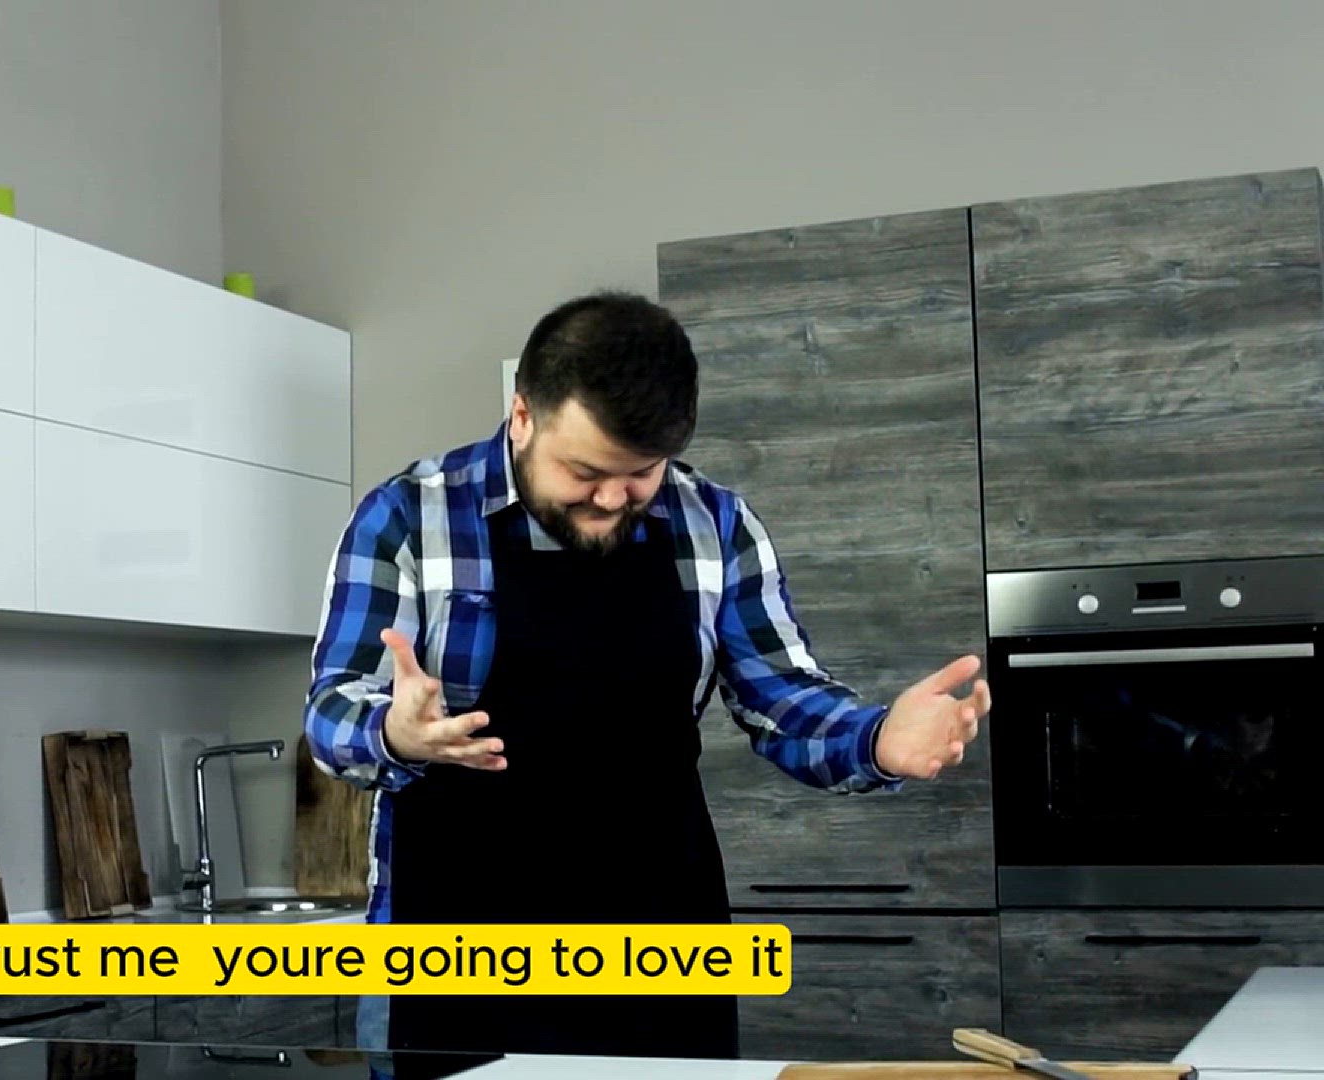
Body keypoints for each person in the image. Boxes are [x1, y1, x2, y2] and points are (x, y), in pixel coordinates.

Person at [304, 291, 992, 1060]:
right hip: (459, 953)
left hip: (664, 948)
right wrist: (394, 733)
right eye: (584, 471)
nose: (611, 498)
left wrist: (876, 740)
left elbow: (782, 698)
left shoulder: (718, 524)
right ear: (522, 415)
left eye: (640, 474)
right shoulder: (407, 517)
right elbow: (332, 713)